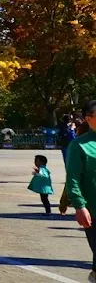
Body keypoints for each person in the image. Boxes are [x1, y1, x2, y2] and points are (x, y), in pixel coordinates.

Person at [65, 100, 96, 283]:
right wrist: (79, 206)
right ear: (88, 119)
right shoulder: (80, 145)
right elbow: (73, 179)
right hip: (93, 210)